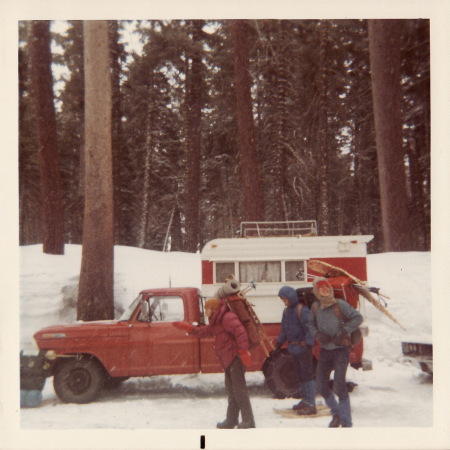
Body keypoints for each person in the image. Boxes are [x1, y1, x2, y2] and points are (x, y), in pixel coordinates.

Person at [173, 298, 255, 429]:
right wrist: (190, 329)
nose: (205, 311)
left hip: (236, 358)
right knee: (232, 391)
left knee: (239, 391)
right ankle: (231, 420)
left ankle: (248, 421)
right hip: (228, 359)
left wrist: (243, 352)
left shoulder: (227, 317)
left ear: (213, 309)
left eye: (207, 308)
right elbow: (206, 332)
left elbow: (241, 333)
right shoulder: (217, 320)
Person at [309, 277, 363, 428]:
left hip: (341, 351)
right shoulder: (315, 307)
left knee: (339, 386)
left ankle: (346, 423)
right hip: (325, 351)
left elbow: (358, 318)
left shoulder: (340, 305)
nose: (325, 289)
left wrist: (344, 332)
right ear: (316, 291)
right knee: (320, 386)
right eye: (321, 287)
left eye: (327, 286)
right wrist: (317, 334)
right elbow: (310, 324)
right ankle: (337, 413)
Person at [271, 286, 317, 415]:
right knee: (300, 375)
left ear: (291, 297)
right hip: (293, 348)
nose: (283, 301)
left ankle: (311, 404)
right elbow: (284, 330)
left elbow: (310, 329)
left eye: (285, 299)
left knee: (307, 375)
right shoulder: (286, 312)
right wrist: (278, 345)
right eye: (282, 299)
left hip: (303, 348)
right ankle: (305, 400)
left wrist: (308, 344)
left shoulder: (303, 310)